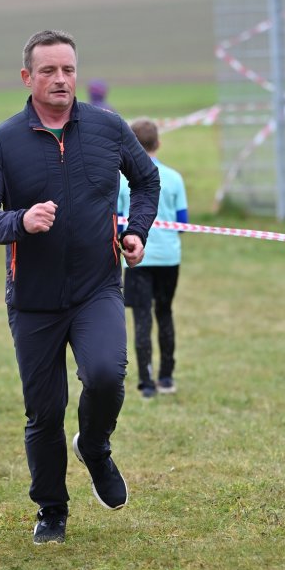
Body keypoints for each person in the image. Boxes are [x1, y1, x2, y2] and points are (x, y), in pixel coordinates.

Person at [0, 30, 160, 545]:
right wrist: (20, 221)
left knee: (106, 376)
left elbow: (147, 181)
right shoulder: (3, 142)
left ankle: (94, 446)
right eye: (49, 70)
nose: (61, 79)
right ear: (27, 77)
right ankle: (52, 509)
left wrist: (136, 231)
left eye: (68, 70)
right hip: (33, 299)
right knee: (45, 411)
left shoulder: (108, 127)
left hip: (98, 286)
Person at [117, 118, 189, 399]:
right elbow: (182, 223)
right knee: (165, 313)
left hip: (138, 259)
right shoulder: (174, 178)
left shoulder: (122, 180)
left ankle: (146, 383)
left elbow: (117, 222)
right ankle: (167, 378)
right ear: (158, 143)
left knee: (142, 318)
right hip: (169, 258)